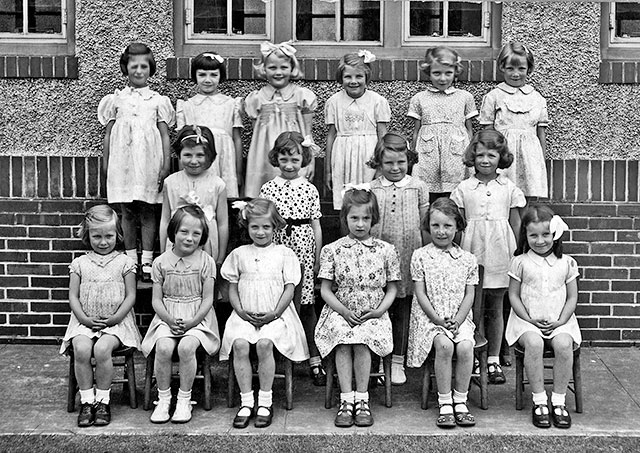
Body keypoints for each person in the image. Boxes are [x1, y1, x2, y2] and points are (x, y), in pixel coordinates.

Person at [315, 187, 400, 428]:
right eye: (354, 218)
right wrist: (342, 311)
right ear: (345, 219)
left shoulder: (386, 250)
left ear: (374, 219)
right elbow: (325, 290)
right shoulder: (333, 249)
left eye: (366, 218)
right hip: (340, 311)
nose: (360, 224)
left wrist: (379, 311)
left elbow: (392, 288)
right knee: (343, 340)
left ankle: (362, 398)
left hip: (373, 312)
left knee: (362, 340)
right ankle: (346, 399)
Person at [220, 198, 309, 429]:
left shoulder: (284, 253)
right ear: (247, 227)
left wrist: (275, 313)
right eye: (255, 227)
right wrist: (240, 311)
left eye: (266, 227)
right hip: (245, 314)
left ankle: (265, 402)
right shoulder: (239, 254)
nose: (261, 232)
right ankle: (247, 401)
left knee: (264, 344)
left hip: (277, 315)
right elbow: (232, 287)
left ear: (275, 226)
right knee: (240, 344)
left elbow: (290, 288)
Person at [450, 130, 525, 385]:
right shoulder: (463, 188)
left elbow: (515, 222)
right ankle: (474, 355)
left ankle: (493, 358)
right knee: (473, 306)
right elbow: (457, 224)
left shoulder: (509, 187)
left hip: (500, 250)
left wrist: (517, 252)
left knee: (495, 305)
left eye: (491, 155)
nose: (485, 160)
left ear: (500, 157)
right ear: (473, 156)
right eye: (480, 154)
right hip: (472, 248)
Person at [98, 42, 175, 281]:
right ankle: (131, 258)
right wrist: (106, 161)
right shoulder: (115, 99)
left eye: (144, 66)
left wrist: (165, 164)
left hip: (148, 162)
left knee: (148, 208)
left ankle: (148, 260)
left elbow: (164, 135)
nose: (138, 71)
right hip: (123, 162)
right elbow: (109, 133)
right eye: (134, 66)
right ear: (126, 68)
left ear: (150, 69)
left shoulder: (157, 101)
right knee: (127, 210)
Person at [60, 205, 141, 427]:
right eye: (97, 236)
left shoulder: (125, 262)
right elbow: (73, 297)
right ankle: (87, 400)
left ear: (118, 234)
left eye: (109, 236)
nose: (103, 242)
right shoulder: (79, 264)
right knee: (82, 348)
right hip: (84, 321)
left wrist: (116, 318)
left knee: (102, 348)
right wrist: (84, 319)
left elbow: (131, 296)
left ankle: (103, 401)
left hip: (117, 323)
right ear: (88, 236)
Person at [141, 206, 220, 424]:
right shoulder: (160, 263)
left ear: (203, 236)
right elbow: (156, 300)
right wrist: (168, 319)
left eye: (196, 233)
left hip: (198, 318)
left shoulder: (206, 261)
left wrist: (192, 322)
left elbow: (208, 299)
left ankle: (185, 399)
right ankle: (164, 398)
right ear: (173, 232)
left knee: (186, 347)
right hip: (168, 316)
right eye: (184, 231)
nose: (189, 238)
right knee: (164, 347)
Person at [259, 131, 325, 386]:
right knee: (279, 301)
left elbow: (316, 225)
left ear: (303, 160)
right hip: (277, 247)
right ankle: (276, 355)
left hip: (303, 248)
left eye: (295, 160)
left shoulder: (309, 189)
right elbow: (263, 221)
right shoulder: (268, 187)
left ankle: (314, 358)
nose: (289, 165)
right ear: (276, 159)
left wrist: (317, 256)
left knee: (306, 304)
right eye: (284, 159)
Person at [407, 198, 479, 429]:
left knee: (466, 346)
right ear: (428, 226)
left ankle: (461, 399)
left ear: (458, 226)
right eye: (436, 225)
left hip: (459, 319)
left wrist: (458, 320)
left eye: (448, 226)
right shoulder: (420, 256)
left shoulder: (468, 260)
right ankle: (445, 401)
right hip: (430, 318)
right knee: (445, 346)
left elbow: (469, 295)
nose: (441, 231)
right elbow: (420, 293)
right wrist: (438, 319)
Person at [506, 205, 579, 429]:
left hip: (560, 321)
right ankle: (539, 401)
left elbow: (572, 297)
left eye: (546, 234)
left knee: (564, 344)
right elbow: (513, 296)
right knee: (534, 343)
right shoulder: (520, 262)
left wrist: (561, 321)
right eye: (533, 235)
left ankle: (558, 401)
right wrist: (528, 320)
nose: (540, 241)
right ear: (525, 236)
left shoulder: (566, 262)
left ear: (555, 234)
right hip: (526, 322)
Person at [368, 133, 429, 385]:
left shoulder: (418, 186)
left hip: (408, 255)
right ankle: (376, 360)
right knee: (378, 306)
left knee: (403, 307)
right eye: (388, 163)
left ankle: (397, 361)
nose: (395, 168)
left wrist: (425, 256)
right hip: (378, 259)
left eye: (401, 163)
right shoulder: (371, 188)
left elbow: (425, 226)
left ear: (409, 161)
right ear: (379, 163)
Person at [244, 41, 318, 197]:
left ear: (292, 69)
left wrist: (311, 161)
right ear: (264, 69)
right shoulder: (257, 98)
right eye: (272, 67)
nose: (278, 72)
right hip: (263, 153)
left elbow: (307, 135)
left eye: (284, 67)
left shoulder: (301, 95)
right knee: (265, 191)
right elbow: (255, 133)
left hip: (294, 152)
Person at [407, 46, 477, 203]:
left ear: (455, 72)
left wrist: (470, 152)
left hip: (456, 152)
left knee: (455, 193)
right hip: (428, 153)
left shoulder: (465, 97)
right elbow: (417, 130)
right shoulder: (419, 98)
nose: (443, 78)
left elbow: (469, 129)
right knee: (426, 193)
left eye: (448, 73)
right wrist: (414, 151)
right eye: (437, 73)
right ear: (428, 72)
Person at [479, 42, 549, 198]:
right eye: (510, 68)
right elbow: (487, 133)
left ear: (529, 69)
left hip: (530, 156)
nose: (515, 74)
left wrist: (540, 160)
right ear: (502, 67)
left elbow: (541, 133)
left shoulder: (537, 98)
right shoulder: (494, 96)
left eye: (521, 69)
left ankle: (522, 222)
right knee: (502, 193)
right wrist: (489, 157)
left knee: (525, 195)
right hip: (503, 154)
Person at [324, 51, 391, 209]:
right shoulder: (333, 102)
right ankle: (346, 233)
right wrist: (327, 170)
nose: (353, 81)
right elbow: (331, 136)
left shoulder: (378, 101)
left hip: (369, 156)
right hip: (342, 156)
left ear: (367, 77)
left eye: (359, 76)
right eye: (348, 77)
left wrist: (382, 165)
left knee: (369, 201)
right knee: (345, 203)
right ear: (341, 78)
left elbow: (383, 135)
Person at [159, 125, 229, 267]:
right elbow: (165, 220)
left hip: (207, 243)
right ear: (179, 155)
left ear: (209, 156)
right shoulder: (170, 183)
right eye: (187, 155)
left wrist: (221, 256)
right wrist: (162, 253)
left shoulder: (217, 184)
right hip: (177, 241)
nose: (193, 161)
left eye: (200, 155)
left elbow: (223, 223)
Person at [176, 52, 244, 197]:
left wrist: (238, 171)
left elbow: (237, 139)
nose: (208, 80)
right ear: (195, 76)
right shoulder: (187, 106)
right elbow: (181, 144)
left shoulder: (231, 104)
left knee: (223, 202)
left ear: (221, 76)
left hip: (225, 163)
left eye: (213, 75)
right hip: (198, 161)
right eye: (202, 75)